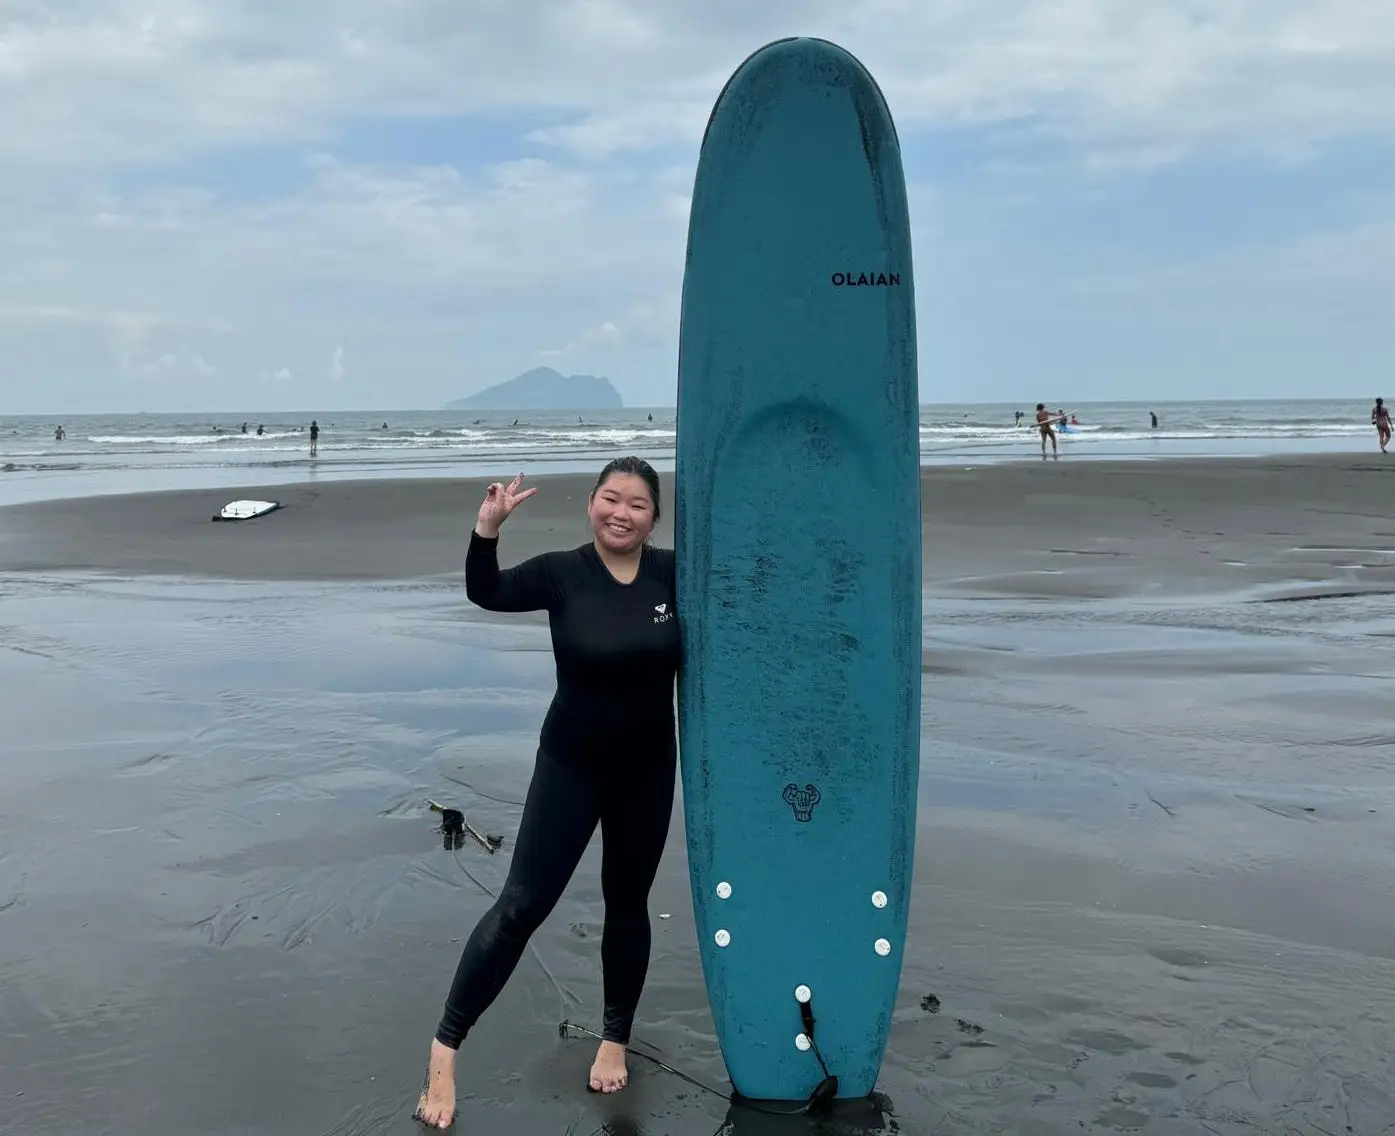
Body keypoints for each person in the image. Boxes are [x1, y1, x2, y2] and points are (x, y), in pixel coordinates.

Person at [414, 457, 680, 1130]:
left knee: (627, 904)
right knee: (521, 905)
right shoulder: (562, 572)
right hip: (570, 766)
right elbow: (486, 591)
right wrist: (486, 528)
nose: (621, 513)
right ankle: (444, 1051)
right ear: (591, 504)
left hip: (647, 769)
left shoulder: (674, 575)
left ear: (655, 517)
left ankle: (614, 1038)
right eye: (610, 499)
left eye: (638, 504)